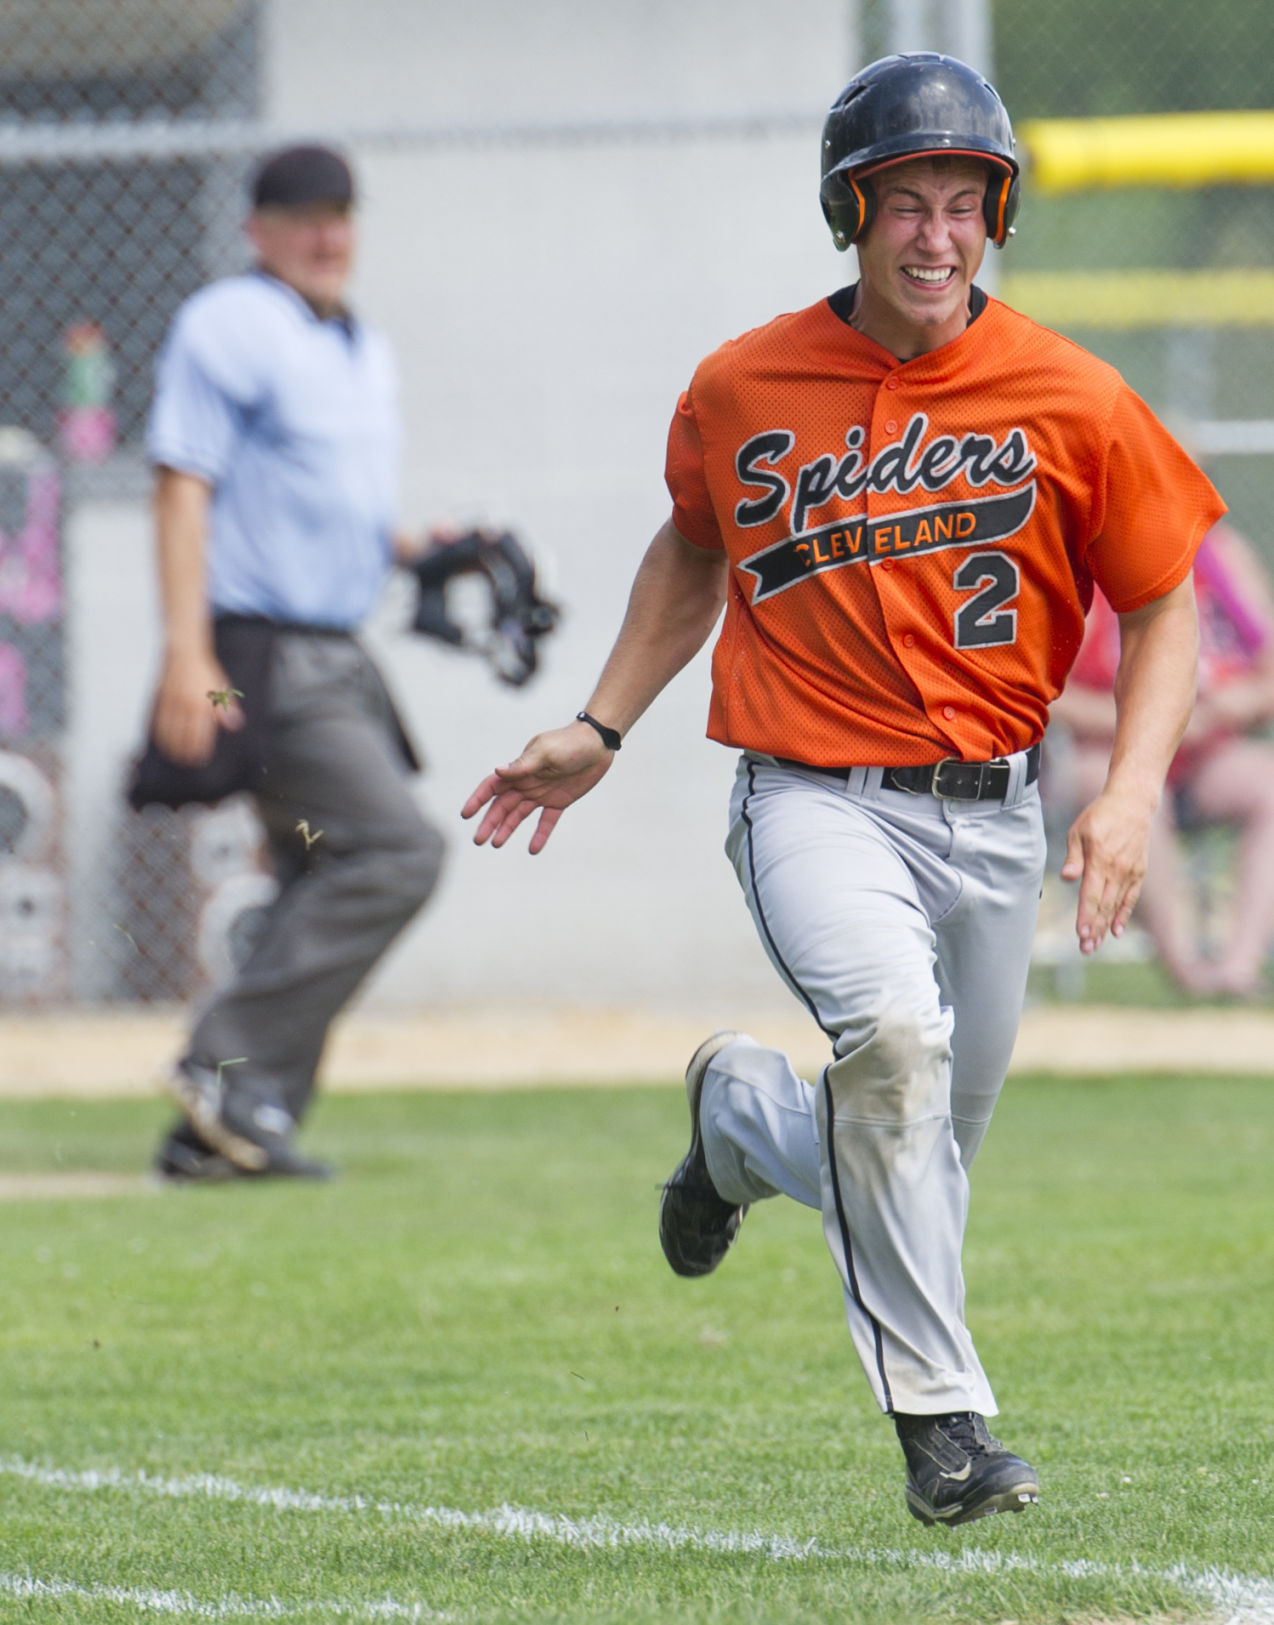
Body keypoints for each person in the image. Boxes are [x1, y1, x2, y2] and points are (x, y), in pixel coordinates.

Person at [462, 53, 1223, 1527]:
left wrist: (1128, 792)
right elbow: (698, 546)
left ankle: (740, 1121)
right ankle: (942, 1428)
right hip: (814, 797)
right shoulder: (745, 384)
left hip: (1000, 811)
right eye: (902, 202)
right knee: (888, 1041)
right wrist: (602, 723)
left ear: (995, 218)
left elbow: (1165, 601)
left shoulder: (1071, 392)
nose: (934, 234)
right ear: (848, 212)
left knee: (914, 1156)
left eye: (963, 201)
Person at [140, 144, 445, 1182]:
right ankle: (221, 1063)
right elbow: (182, 488)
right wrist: (187, 658)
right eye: (305, 216)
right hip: (243, 657)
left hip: (333, 650)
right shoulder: (228, 323)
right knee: (394, 849)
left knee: (323, 857)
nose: (329, 235)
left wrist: (426, 547)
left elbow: (332, 508)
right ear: (256, 228)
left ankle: (231, 1120)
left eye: (341, 215)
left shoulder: (356, 344)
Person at [1050, 520, 1274, 998]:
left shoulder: (1220, 556)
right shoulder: (1094, 562)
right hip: (1109, 753)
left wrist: (1242, 700)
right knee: (1137, 798)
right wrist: (1150, 720)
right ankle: (1185, 970)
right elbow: (1047, 693)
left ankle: (1238, 968)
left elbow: (1267, 673)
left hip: (1204, 752)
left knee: (1267, 781)